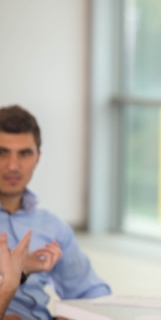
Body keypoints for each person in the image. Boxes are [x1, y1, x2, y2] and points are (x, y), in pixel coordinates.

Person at [0, 105, 111, 319]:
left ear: (37, 158)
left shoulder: (52, 227)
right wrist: (14, 274)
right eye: (2, 152)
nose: (13, 166)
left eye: (24, 153)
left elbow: (91, 293)